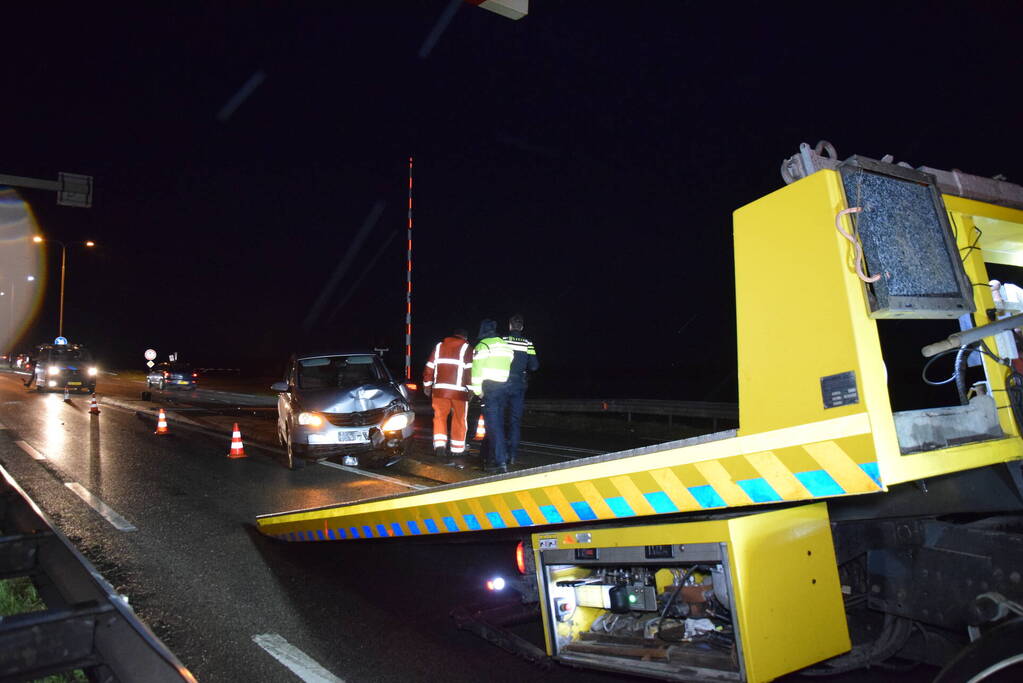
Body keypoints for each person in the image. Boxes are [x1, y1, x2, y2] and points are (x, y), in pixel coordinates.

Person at [423, 328, 473, 466]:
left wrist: (427, 385)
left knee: (439, 417)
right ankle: (457, 449)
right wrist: (472, 389)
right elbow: (469, 370)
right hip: (459, 392)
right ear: (465, 337)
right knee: (459, 419)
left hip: (439, 391)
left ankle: (440, 445)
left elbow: (429, 367)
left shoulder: (439, 346)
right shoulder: (466, 347)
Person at [469, 319, 513, 472]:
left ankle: (500, 461)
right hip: (504, 388)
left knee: (493, 427)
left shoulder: (483, 345)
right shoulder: (505, 346)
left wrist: (477, 391)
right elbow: (510, 360)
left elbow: (476, 371)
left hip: (490, 388)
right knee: (498, 424)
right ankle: (491, 458)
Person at [501, 314, 539, 464]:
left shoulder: (503, 341)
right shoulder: (528, 343)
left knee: (499, 418)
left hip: (503, 382)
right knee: (514, 421)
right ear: (522, 327)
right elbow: (535, 366)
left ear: (510, 326)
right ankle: (512, 455)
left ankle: (499, 453)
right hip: (519, 385)